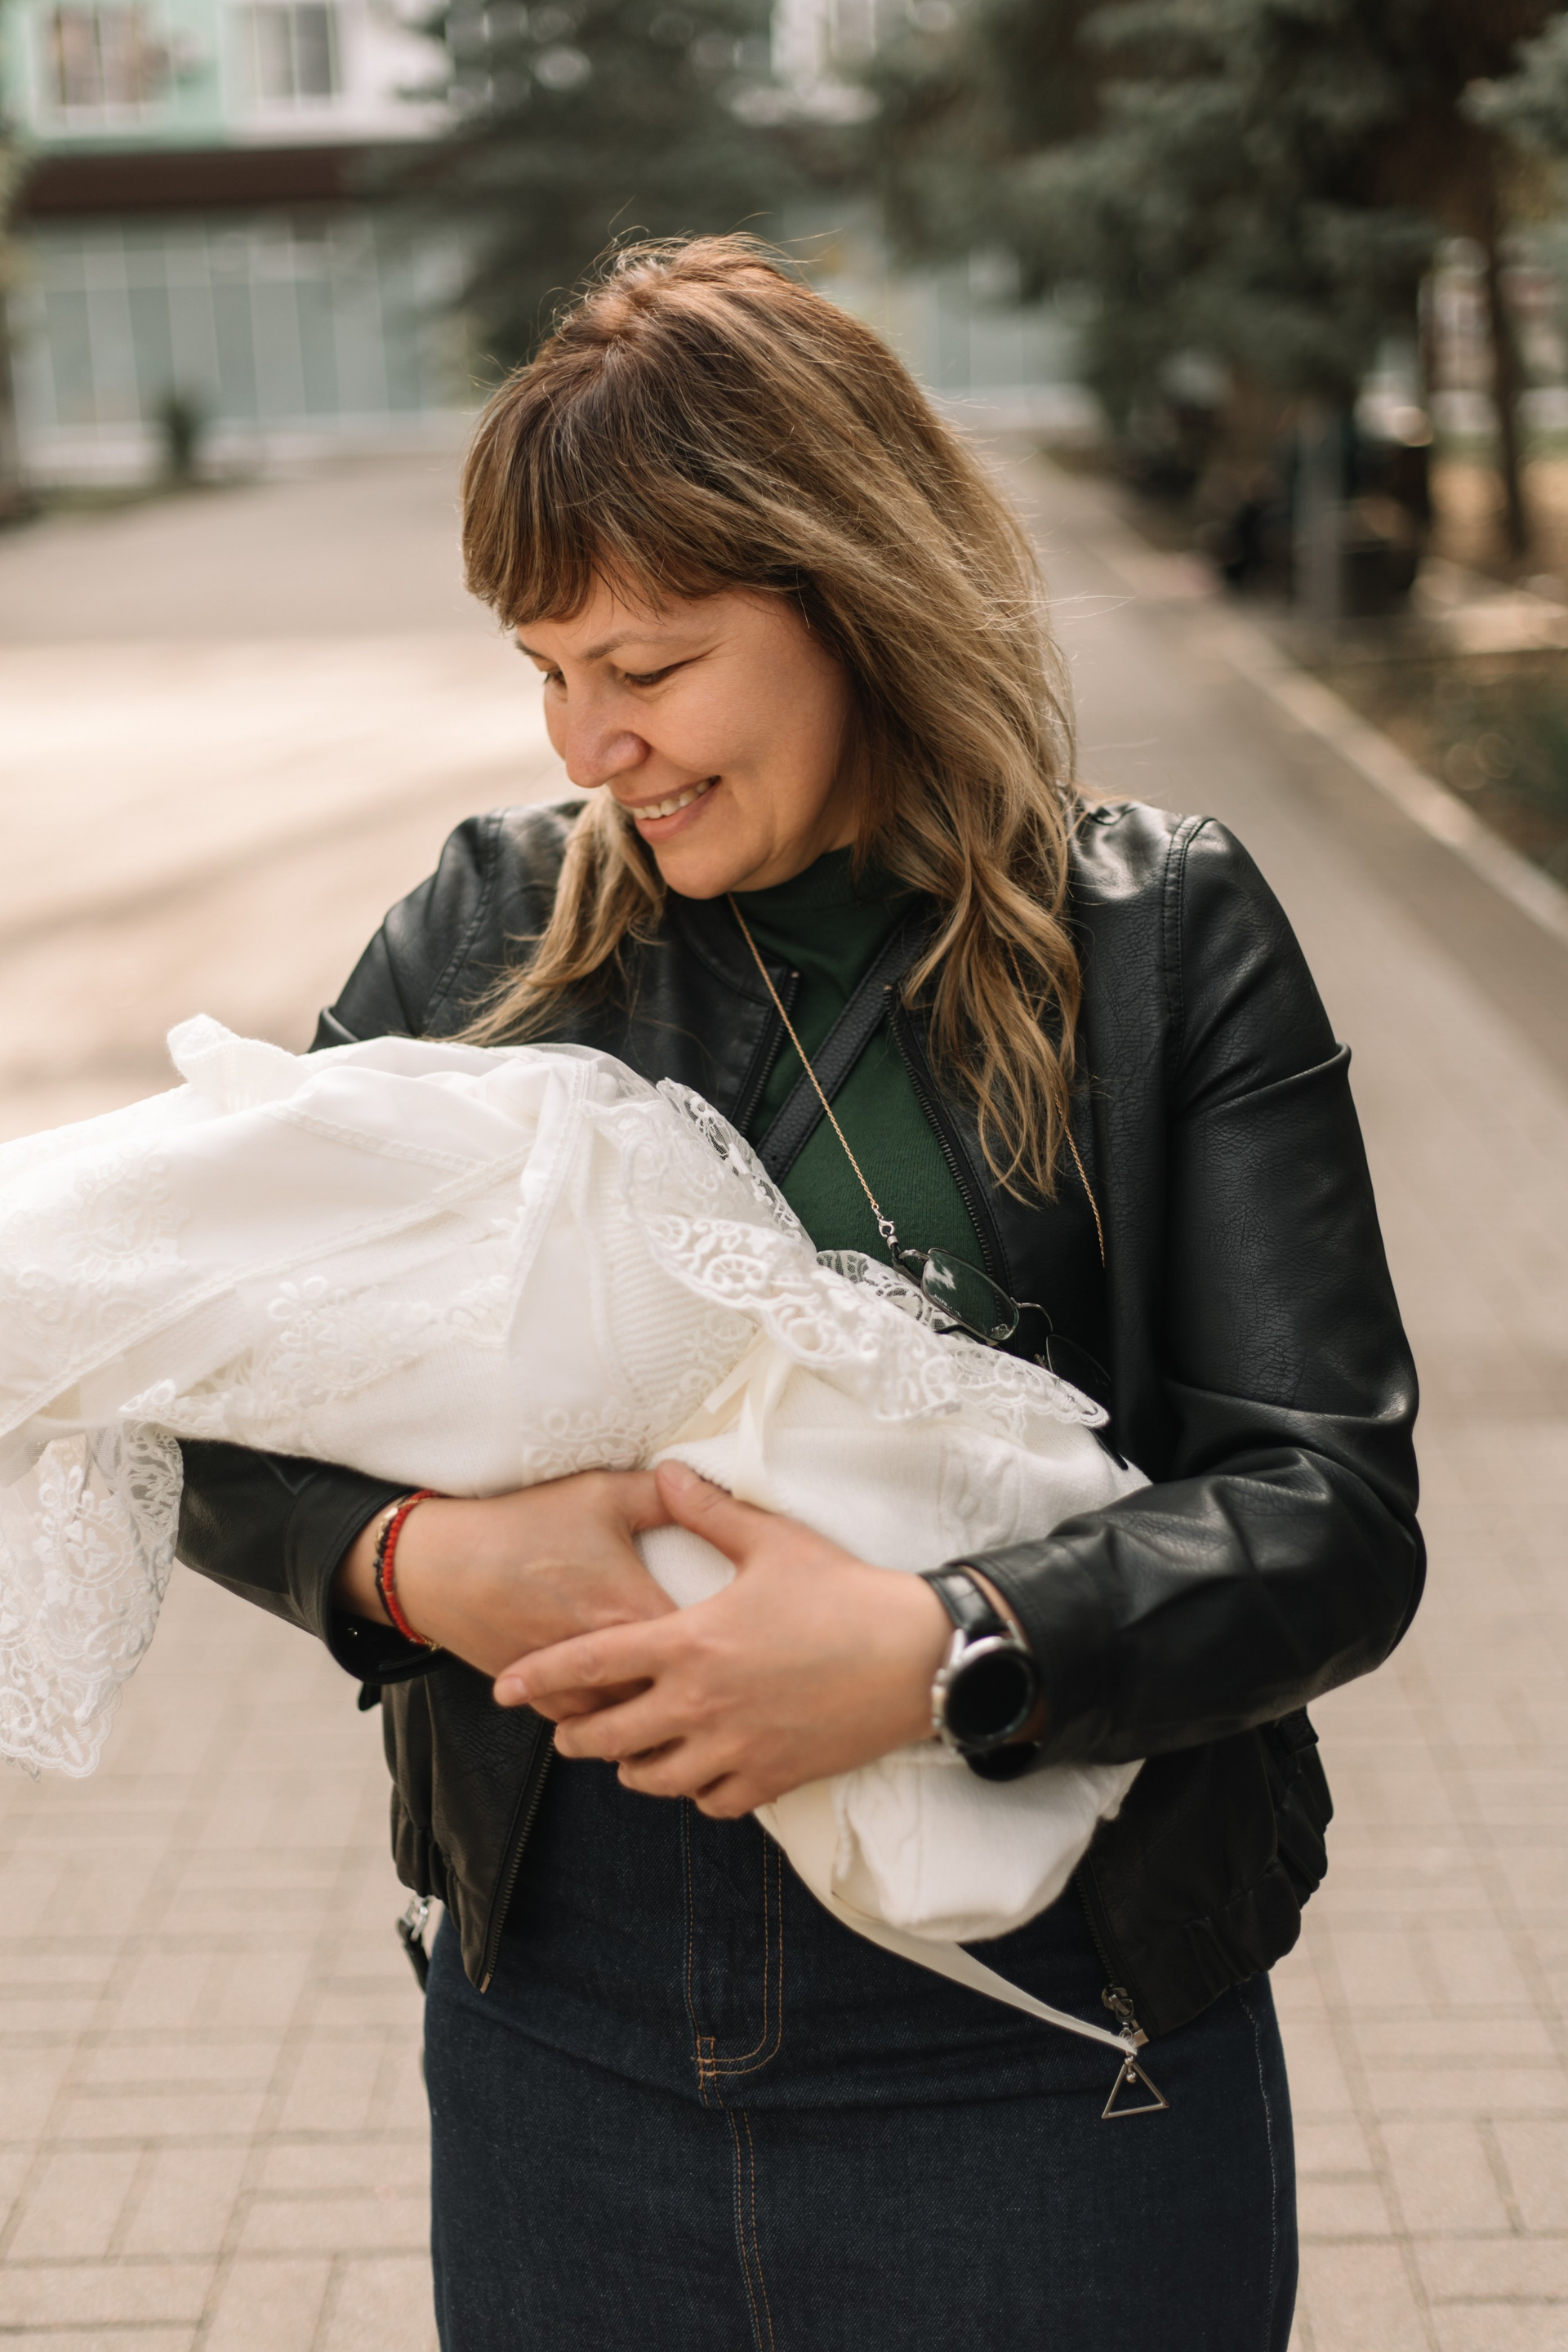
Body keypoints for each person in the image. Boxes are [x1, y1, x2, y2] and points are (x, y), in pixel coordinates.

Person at [176, 237, 1423, 2351]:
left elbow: (1329, 1516)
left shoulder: (1159, 939)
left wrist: (947, 1649)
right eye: (546, 669)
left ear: (851, 593)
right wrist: (414, 1565)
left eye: (649, 665)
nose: (595, 742)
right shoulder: (483, 935)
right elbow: (202, 1378)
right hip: (565, 2056)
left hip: (1051, 2056)